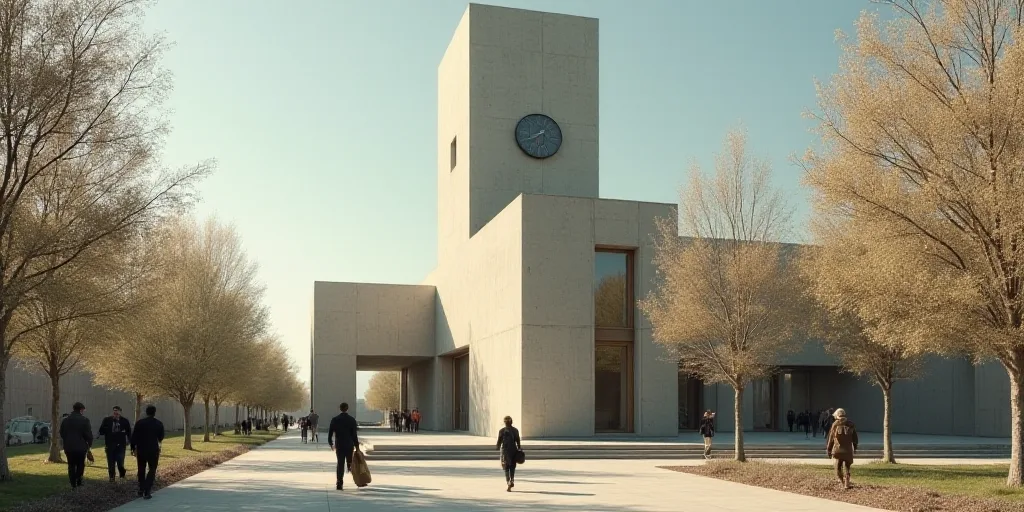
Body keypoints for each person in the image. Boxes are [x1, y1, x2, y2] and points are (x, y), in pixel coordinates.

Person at [131, 405, 165, 500]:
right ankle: (147, 490)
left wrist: (133, 448)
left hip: (141, 449)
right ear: (154, 413)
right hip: (153, 449)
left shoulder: (139, 423)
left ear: (146, 412)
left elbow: (134, 437)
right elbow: (161, 437)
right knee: (152, 469)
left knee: (141, 469)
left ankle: (141, 488)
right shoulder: (158, 423)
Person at [59, 402, 93, 490]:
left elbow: (62, 433)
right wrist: (89, 444)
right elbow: (88, 435)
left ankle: (73, 483)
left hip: (69, 447)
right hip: (81, 447)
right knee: (80, 464)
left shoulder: (65, 420)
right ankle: (79, 481)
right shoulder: (85, 420)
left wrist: (67, 440)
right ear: (81, 410)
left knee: (71, 465)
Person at [328, 402, 360, 491]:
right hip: (349, 445)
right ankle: (358, 480)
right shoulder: (352, 420)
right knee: (350, 463)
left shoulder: (335, 419)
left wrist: (331, 443)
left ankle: (339, 482)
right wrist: (357, 446)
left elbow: (330, 433)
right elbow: (354, 435)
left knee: (340, 463)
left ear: (340, 408)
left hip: (340, 445)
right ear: (347, 408)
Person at [825, 407, 859, 489]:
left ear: (837, 416)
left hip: (838, 450)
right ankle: (847, 483)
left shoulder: (835, 424)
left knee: (838, 466)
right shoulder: (851, 424)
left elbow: (831, 439)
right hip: (848, 450)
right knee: (847, 467)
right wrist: (855, 447)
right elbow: (855, 438)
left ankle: (842, 482)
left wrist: (829, 450)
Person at [99, 406, 132, 482]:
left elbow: (129, 433)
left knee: (120, 463)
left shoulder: (124, 421)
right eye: (114, 411)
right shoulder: (107, 420)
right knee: (111, 463)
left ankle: (122, 473)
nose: (115, 412)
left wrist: (131, 443)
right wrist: (107, 428)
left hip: (121, 446)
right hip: (110, 445)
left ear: (120, 412)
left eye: (117, 411)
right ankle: (112, 478)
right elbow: (101, 431)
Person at [496, 416, 521, 492]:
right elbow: (518, 440)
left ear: (505, 423)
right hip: (513, 450)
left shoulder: (502, 431)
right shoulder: (515, 430)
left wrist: (497, 447)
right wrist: (519, 448)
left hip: (505, 451)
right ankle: (512, 480)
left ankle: (508, 481)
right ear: (511, 422)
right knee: (512, 466)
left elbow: (499, 441)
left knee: (506, 467)